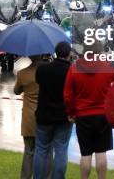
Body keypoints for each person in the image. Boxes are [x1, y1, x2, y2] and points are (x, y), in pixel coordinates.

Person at [63, 41, 114, 179]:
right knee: (101, 152)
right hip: (103, 115)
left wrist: (71, 113)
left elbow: (68, 95)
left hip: (82, 115)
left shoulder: (74, 68)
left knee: (85, 154)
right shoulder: (108, 67)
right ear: (99, 50)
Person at [33, 42, 73, 179]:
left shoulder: (43, 69)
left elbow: (38, 80)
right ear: (69, 54)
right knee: (61, 150)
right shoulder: (71, 71)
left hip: (44, 115)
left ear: (55, 53)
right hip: (64, 117)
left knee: (41, 150)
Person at [14, 56, 48, 179]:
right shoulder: (47, 73)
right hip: (44, 116)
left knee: (29, 151)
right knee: (45, 150)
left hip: (28, 117)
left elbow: (16, 91)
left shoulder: (22, 73)